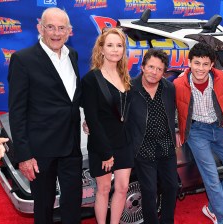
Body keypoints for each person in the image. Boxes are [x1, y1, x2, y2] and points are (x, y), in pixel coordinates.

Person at [8, 7, 82, 224]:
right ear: (40, 28)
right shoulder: (23, 60)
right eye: (50, 27)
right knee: (43, 208)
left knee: (72, 205)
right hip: (41, 152)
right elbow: (17, 111)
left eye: (61, 28)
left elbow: (71, 99)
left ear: (69, 31)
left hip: (71, 147)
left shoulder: (73, 55)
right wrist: (24, 155)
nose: (56, 33)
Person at [174, 42, 223, 224]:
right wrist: (181, 132)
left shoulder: (221, 78)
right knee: (211, 178)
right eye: (197, 63)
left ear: (212, 65)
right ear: (189, 62)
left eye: (205, 64)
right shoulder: (178, 84)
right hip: (196, 132)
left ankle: (213, 208)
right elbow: (172, 110)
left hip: (219, 129)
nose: (200, 68)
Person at [81, 27, 133, 224]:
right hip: (102, 144)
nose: (115, 50)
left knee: (122, 188)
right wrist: (105, 153)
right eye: (110, 45)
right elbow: (92, 118)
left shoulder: (125, 76)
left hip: (124, 142)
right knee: (102, 190)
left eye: (119, 45)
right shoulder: (91, 79)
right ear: (101, 49)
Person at [126, 48, 179, 224]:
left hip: (166, 146)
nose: (154, 72)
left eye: (159, 69)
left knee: (171, 186)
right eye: (150, 67)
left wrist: (177, 132)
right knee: (149, 191)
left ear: (164, 73)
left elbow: (176, 112)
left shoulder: (169, 88)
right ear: (142, 67)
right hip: (143, 148)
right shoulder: (130, 89)